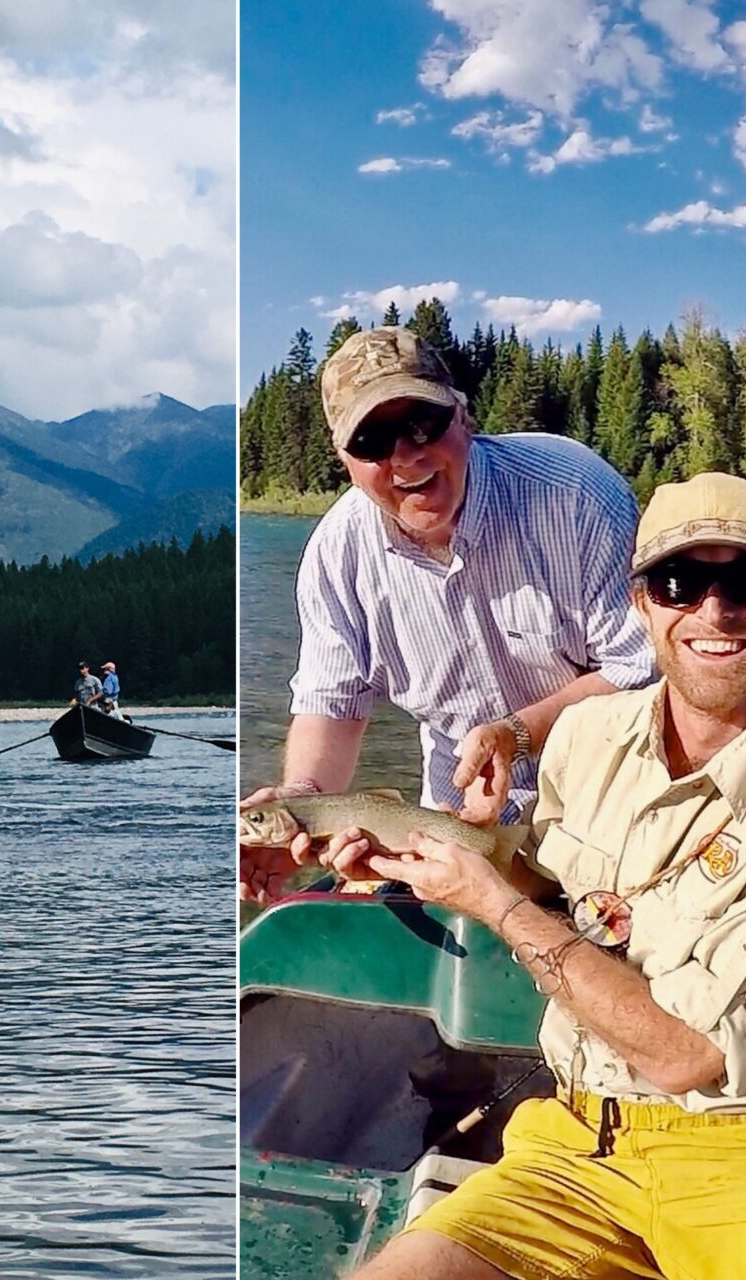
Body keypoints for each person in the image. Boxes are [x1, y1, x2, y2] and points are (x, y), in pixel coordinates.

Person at [329, 473, 746, 1278]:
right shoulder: (583, 735)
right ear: (639, 603)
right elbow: (558, 902)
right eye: (680, 582)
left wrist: (490, 903)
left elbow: (687, 1058)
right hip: (573, 1145)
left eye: (745, 583)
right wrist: (465, 853)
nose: (716, 612)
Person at [241, 327, 653, 901]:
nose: (406, 457)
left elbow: (641, 674)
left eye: (421, 424)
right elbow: (329, 706)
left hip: (611, 809)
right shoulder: (336, 553)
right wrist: (300, 805)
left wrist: (519, 733)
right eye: (371, 441)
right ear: (344, 459)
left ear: (463, 415)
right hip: (450, 831)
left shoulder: (577, 495)